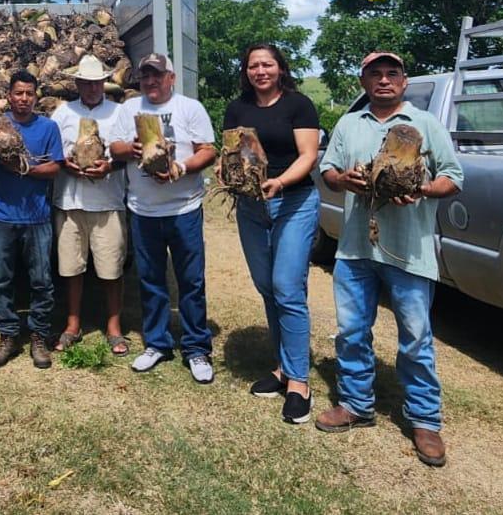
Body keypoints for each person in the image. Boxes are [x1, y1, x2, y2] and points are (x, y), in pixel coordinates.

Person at [316, 51, 463, 467]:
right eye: (375, 74)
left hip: (408, 250)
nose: (383, 80)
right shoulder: (349, 123)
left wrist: (423, 189)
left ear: (404, 81)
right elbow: (328, 170)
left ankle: (424, 420)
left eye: (391, 73)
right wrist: (343, 179)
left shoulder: (424, 124)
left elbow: (453, 177)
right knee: (351, 330)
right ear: (363, 81)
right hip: (355, 248)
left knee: (415, 337)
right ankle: (356, 403)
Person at [223, 44, 320, 424]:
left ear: (280, 68)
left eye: (267, 64)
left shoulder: (299, 105)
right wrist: (226, 170)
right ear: (245, 71)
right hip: (251, 206)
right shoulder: (237, 108)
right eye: (253, 66)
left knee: (287, 288)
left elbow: (308, 155)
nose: (260, 71)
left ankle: (299, 382)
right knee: (267, 286)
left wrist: (280, 181)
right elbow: (233, 152)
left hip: (293, 202)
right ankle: (282, 366)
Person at [109, 53, 218, 383]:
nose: (151, 81)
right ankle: (157, 343)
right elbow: (114, 148)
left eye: (157, 75)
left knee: (191, 281)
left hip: (184, 208)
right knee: (151, 280)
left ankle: (196, 347)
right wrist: (132, 149)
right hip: (143, 210)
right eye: (145, 76)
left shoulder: (190, 108)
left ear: (171, 77)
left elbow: (208, 150)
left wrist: (181, 167)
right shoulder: (129, 108)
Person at [0, 70, 64, 369]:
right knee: (0, 279)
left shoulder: (48, 128)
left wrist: (25, 168)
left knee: (41, 280)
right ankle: (7, 334)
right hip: (1, 215)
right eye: (19, 93)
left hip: (37, 217)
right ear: (9, 96)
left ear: (36, 96)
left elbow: (55, 168)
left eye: (29, 93)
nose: (24, 98)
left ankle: (39, 335)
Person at [50, 55, 129, 356]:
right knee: (71, 267)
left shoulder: (119, 112)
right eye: (86, 83)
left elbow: (130, 155)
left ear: (104, 83)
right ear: (78, 83)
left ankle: (114, 327)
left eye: (97, 83)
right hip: (70, 201)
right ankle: (73, 324)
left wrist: (110, 167)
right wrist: (65, 164)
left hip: (108, 201)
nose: (92, 88)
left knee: (111, 268)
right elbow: (52, 151)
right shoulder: (63, 112)